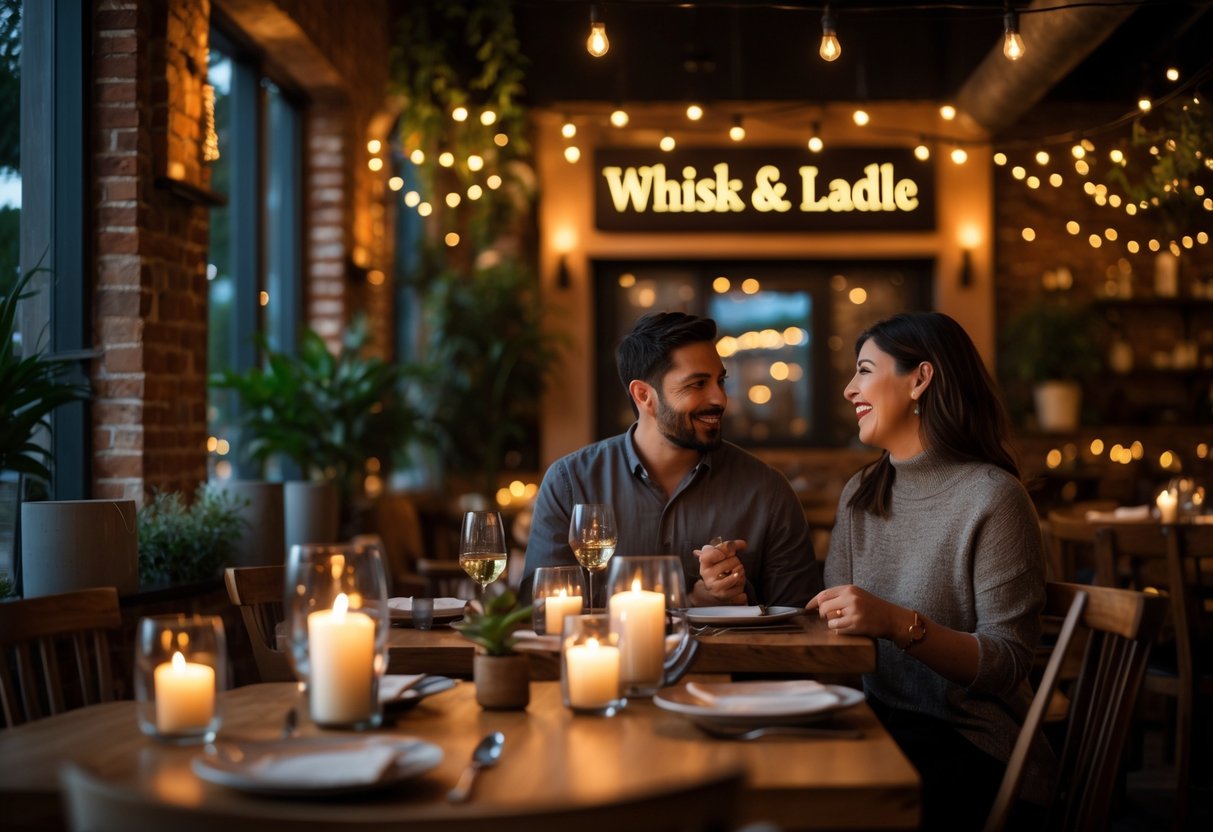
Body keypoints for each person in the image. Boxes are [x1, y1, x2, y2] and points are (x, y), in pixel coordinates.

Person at [805, 311, 1051, 830]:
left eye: (865, 370)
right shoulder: (862, 493)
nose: (850, 389)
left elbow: (1006, 663)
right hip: (881, 724)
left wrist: (897, 623)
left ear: (920, 378)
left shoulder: (993, 497)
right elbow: (837, 643)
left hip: (970, 742)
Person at [520, 311, 820, 608]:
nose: (720, 399)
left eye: (720, 381)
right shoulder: (570, 482)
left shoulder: (767, 489)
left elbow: (801, 618)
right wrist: (691, 602)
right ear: (644, 395)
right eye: (697, 384)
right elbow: (540, 610)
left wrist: (738, 595)